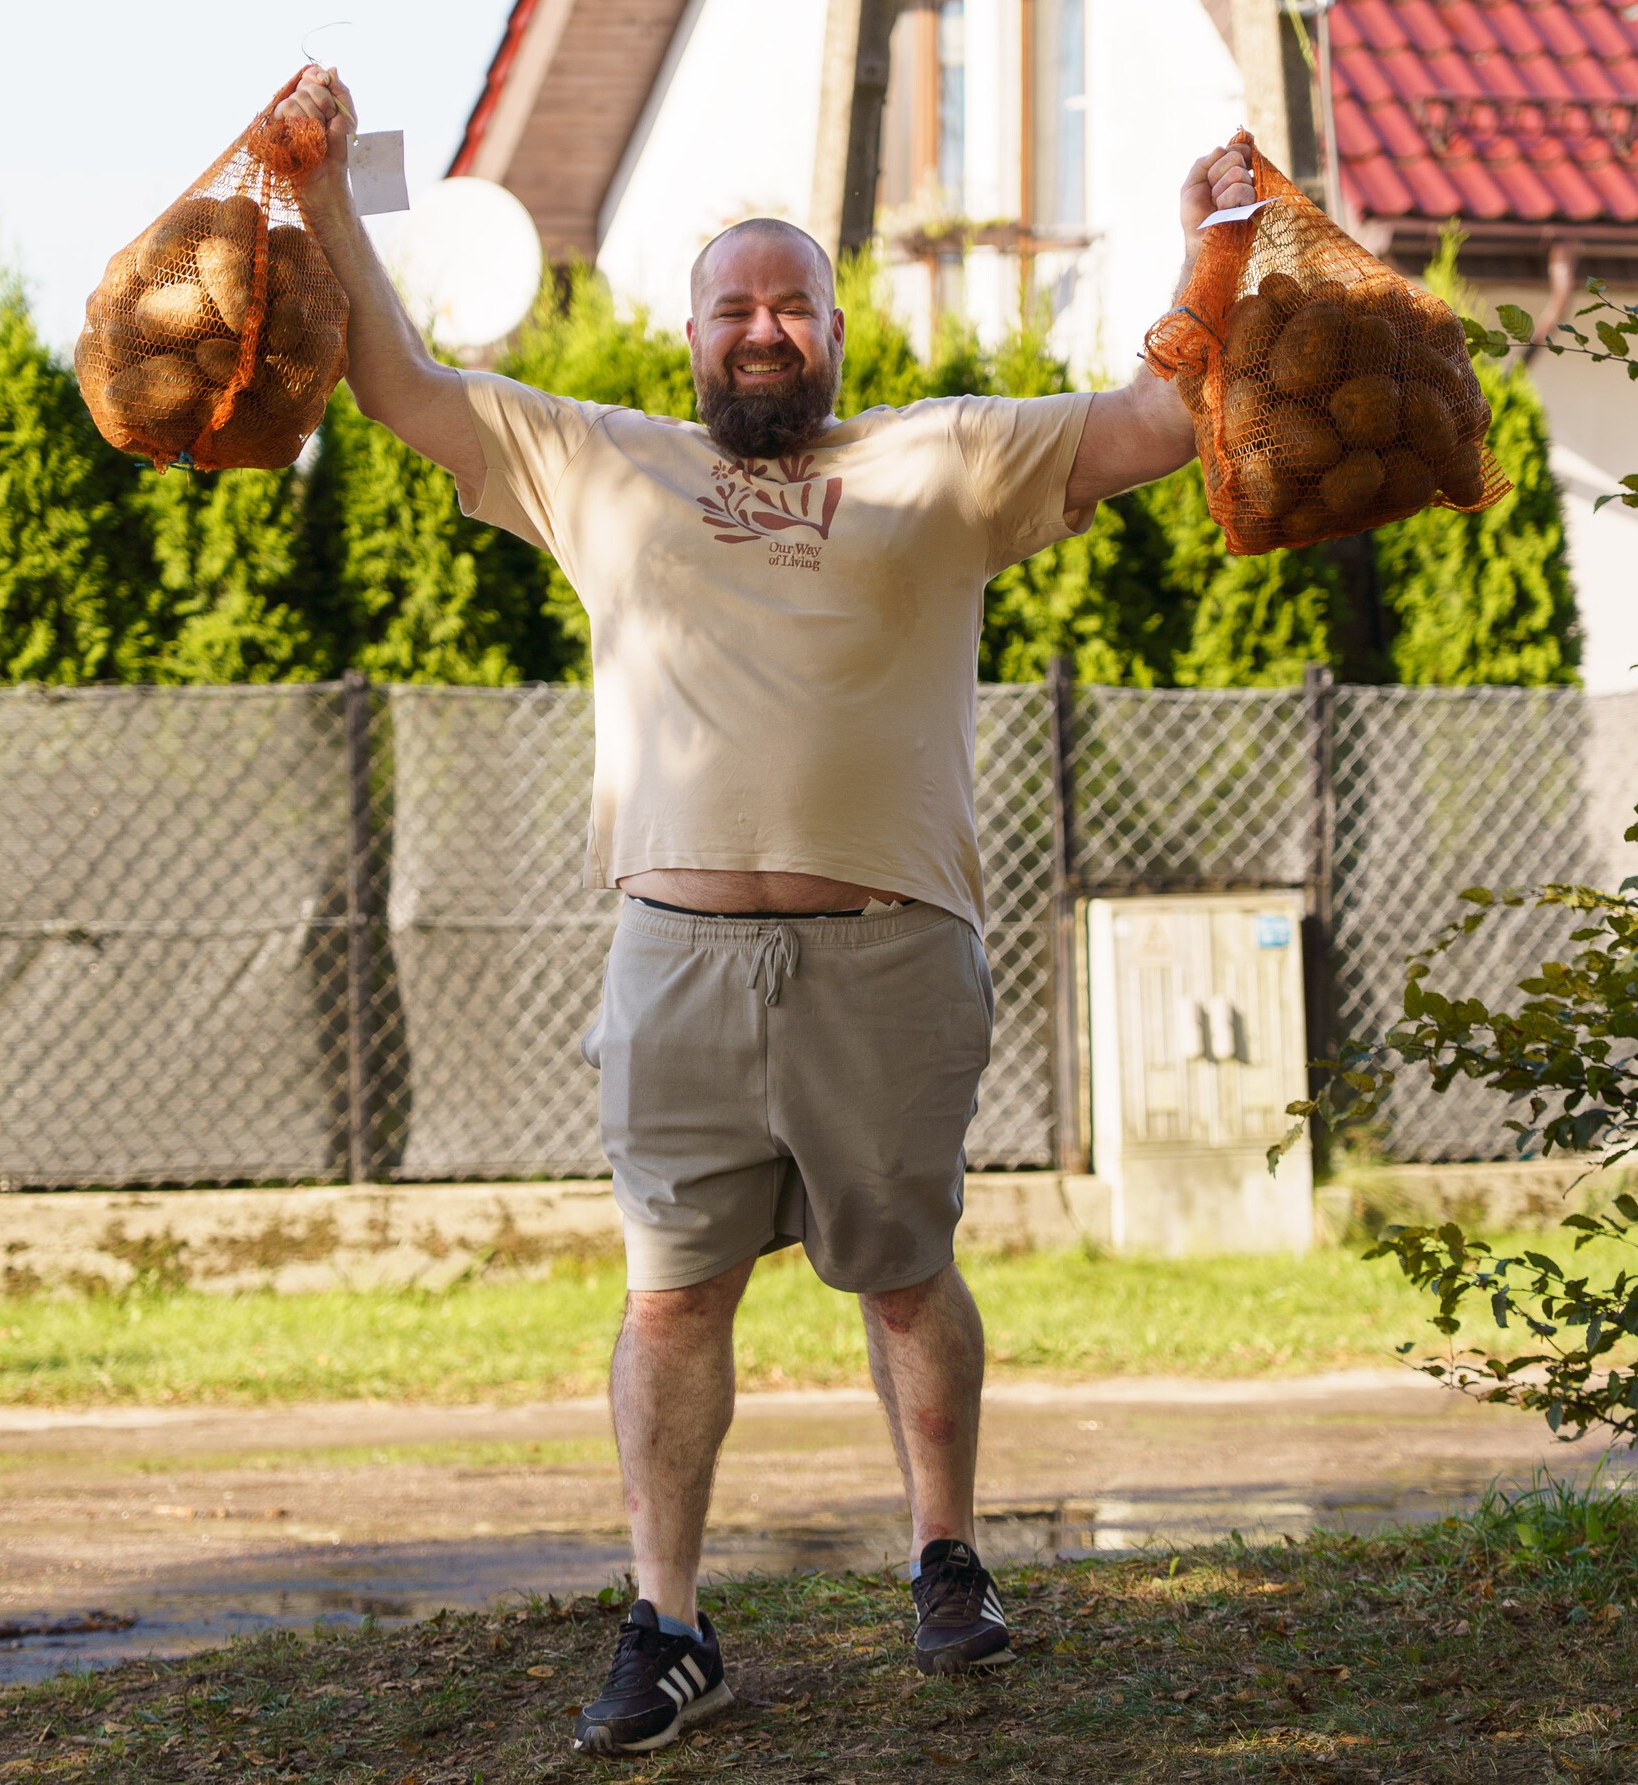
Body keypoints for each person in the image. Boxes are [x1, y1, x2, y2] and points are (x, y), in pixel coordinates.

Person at [275, 64, 1252, 1757]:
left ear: (836, 335)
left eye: (792, 302)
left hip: (893, 951)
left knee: (907, 1271)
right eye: (733, 305)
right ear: (690, 337)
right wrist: (316, 198)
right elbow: (402, 382)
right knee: (671, 1296)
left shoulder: (946, 456)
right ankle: (668, 1625)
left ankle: (945, 1555)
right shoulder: (598, 461)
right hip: (679, 964)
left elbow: (1158, 422)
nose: (763, 328)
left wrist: (1211, 251)